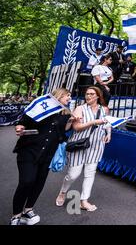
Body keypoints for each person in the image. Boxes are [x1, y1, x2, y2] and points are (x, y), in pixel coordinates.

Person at [10, 88, 73, 225]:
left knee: (39, 182)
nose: (69, 99)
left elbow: (62, 134)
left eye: (70, 97)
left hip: (47, 154)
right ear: (58, 96)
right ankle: (16, 215)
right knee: (27, 181)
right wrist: (20, 127)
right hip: (29, 150)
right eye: (67, 96)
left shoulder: (66, 113)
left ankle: (28, 210)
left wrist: (70, 122)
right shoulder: (40, 107)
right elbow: (22, 122)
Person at [55, 86, 112, 211]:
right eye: (87, 94)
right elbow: (76, 127)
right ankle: (63, 192)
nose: (88, 96)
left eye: (91, 94)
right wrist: (93, 122)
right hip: (78, 144)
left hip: (97, 144)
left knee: (90, 173)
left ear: (98, 96)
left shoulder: (105, 109)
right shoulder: (80, 108)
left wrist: (109, 133)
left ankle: (84, 201)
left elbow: (107, 122)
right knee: (73, 174)